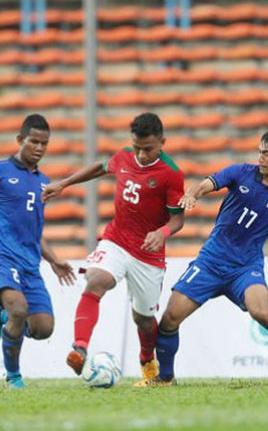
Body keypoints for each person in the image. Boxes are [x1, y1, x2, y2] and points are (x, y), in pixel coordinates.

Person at [135, 127, 268, 387]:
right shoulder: (240, 173)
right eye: (259, 152)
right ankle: (165, 378)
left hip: (245, 267)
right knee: (170, 318)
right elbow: (206, 184)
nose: (260, 158)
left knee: (262, 313)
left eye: (267, 154)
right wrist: (192, 193)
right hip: (210, 261)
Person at [42, 112, 185, 382]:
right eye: (137, 148)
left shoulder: (171, 174)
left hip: (148, 254)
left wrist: (162, 232)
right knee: (96, 280)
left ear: (162, 142)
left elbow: (178, 219)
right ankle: (80, 348)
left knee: (143, 319)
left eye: (148, 149)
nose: (141, 155)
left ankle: (147, 361)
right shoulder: (123, 156)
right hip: (116, 240)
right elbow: (100, 167)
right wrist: (64, 183)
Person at [0, 114, 76, 388]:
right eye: (33, 141)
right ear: (20, 140)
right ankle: (13, 377)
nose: (39, 148)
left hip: (30, 264)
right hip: (1, 257)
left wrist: (54, 260)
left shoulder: (43, 182)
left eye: (44, 143)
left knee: (43, 328)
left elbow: (33, 231)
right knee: (19, 308)